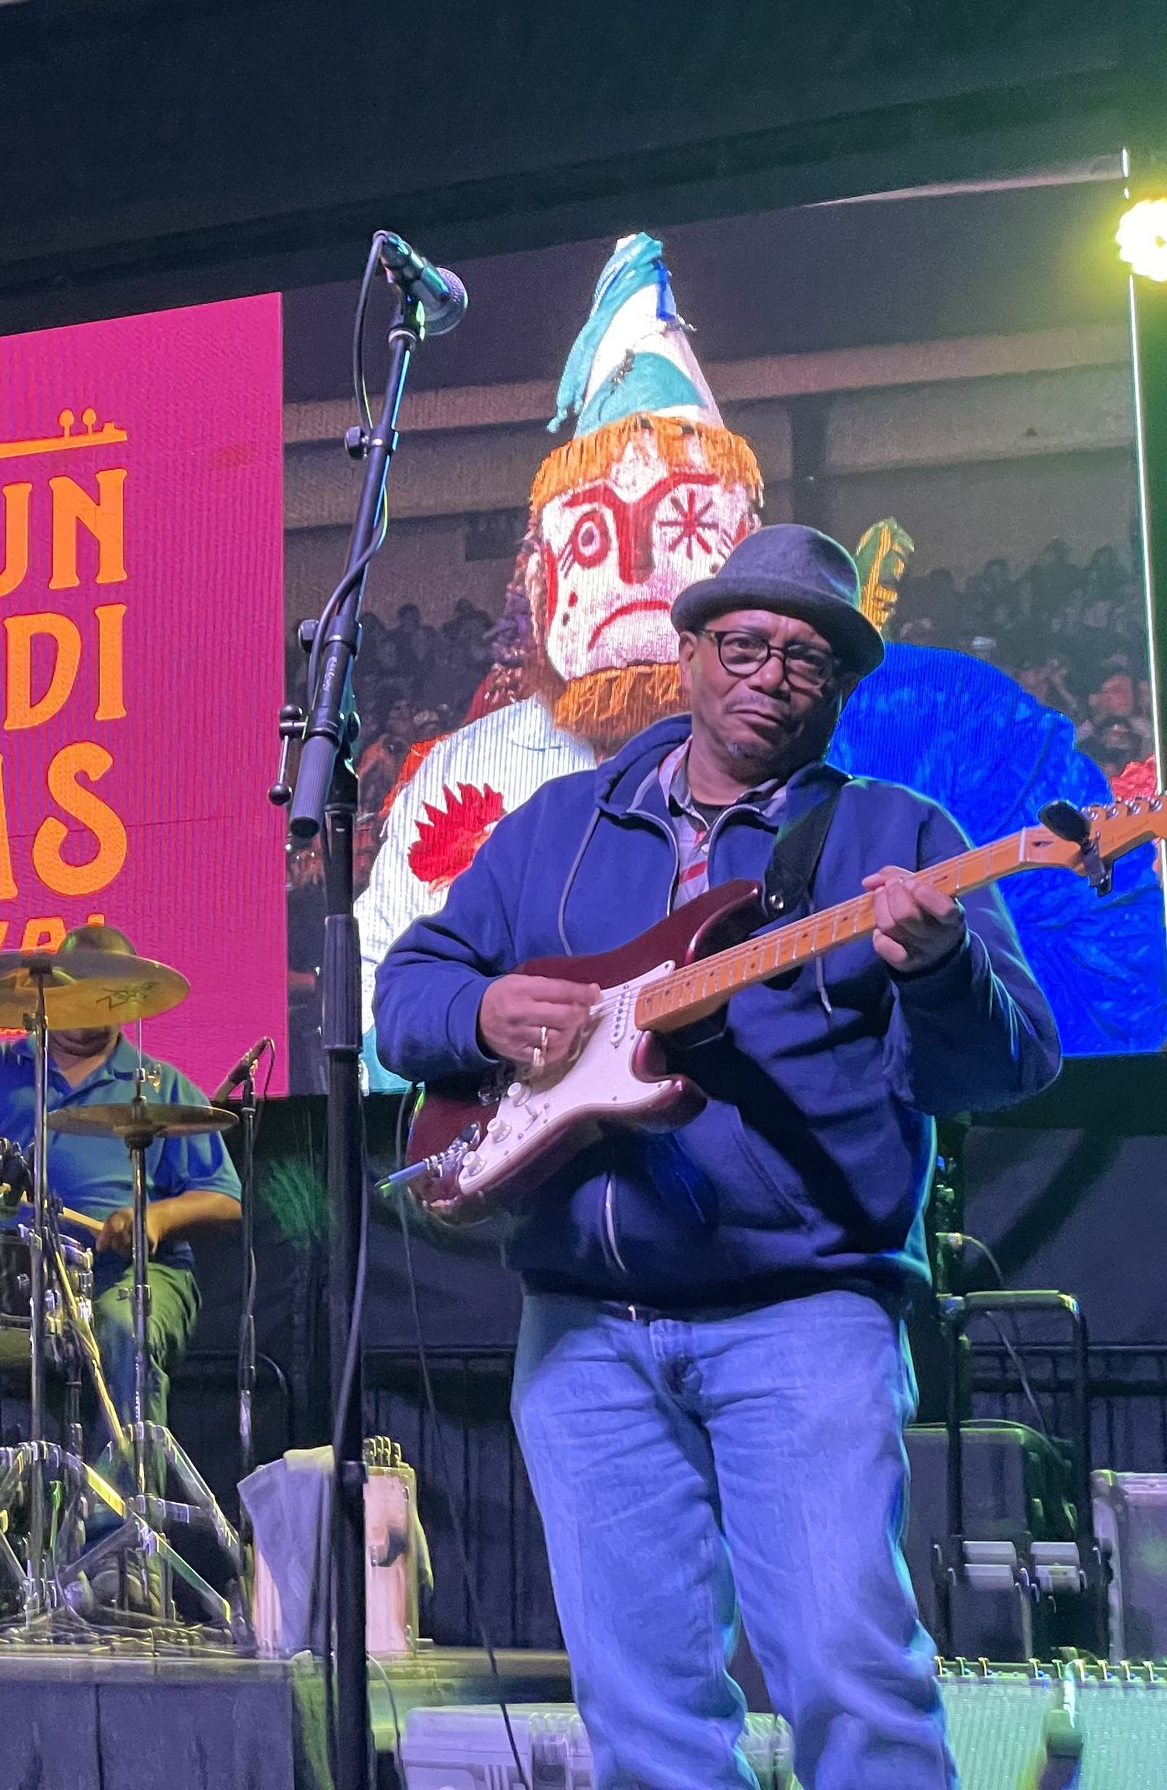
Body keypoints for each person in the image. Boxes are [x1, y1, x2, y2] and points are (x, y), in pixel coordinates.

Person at [375, 525, 1061, 1790]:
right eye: (743, 644)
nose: (770, 673)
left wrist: (945, 970)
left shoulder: (897, 836)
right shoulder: (556, 829)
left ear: (838, 689)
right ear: (687, 655)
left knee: (850, 1681)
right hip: (582, 1333)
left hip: (803, 1318)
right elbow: (408, 986)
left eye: (807, 658)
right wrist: (481, 1015)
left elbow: (1010, 1063)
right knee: (644, 1716)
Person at [0, 926, 242, 1438]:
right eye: (77, 987)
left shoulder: (160, 1085)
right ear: (54, 988)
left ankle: (120, 1515)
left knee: (124, 1328)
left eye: (105, 994)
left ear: (127, 999)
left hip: (132, 1275)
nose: (88, 1003)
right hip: (8, 1277)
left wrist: (154, 1218)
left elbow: (225, 1199)